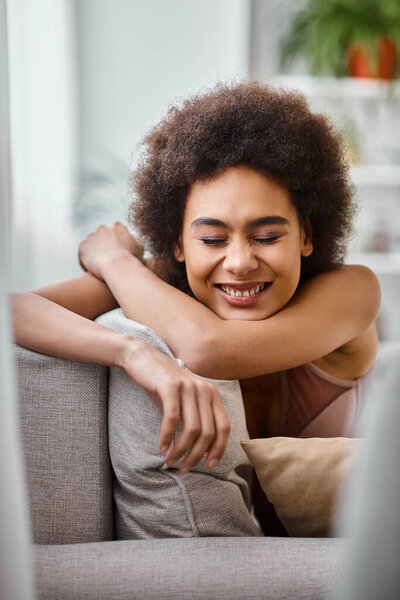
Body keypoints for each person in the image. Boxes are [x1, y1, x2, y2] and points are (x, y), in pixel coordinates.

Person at [12, 82, 380, 483]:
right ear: (178, 243)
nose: (239, 263)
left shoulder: (354, 291)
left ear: (306, 235)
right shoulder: (156, 284)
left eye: (267, 237)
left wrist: (114, 259)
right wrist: (131, 352)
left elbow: (209, 348)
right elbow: (13, 309)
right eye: (212, 239)